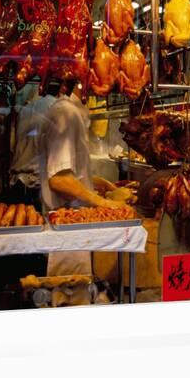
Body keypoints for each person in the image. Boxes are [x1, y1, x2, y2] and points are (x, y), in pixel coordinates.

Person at [39, 81, 124, 275]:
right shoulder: (66, 114)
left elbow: (69, 171)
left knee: (77, 290)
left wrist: (96, 183)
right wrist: (101, 202)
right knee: (70, 293)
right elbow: (59, 179)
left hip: (73, 224)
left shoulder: (71, 113)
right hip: (67, 224)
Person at [9, 86, 57, 210]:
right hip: (38, 185)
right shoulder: (55, 107)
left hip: (17, 183)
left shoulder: (23, 111)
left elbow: (12, 146)